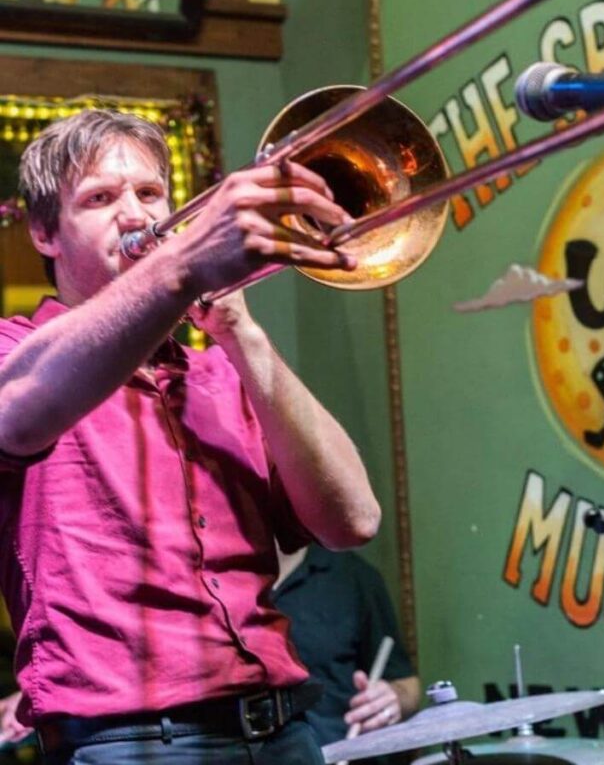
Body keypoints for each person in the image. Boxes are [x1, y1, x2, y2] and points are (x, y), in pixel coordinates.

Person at [0, 109, 382, 764]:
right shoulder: (20, 352)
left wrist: (243, 335)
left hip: (286, 729)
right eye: (100, 198)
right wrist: (181, 269)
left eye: (149, 194)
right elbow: (20, 410)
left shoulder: (219, 375)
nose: (135, 215)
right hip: (133, 741)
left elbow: (353, 520)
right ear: (44, 232)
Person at [272, 545, 420, 749]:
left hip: (343, 752)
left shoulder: (354, 575)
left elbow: (407, 685)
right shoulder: (218, 580)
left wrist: (391, 699)